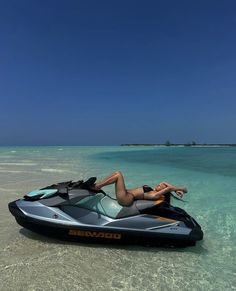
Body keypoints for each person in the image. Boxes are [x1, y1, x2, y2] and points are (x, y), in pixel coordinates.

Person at [92, 171, 187, 207]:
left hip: (126, 199)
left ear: (165, 190)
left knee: (118, 175)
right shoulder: (153, 191)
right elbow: (167, 185)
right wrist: (175, 190)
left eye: (162, 186)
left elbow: (169, 187)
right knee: (117, 173)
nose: (160, 184)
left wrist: (179, 189)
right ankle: (97, 185)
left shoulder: (155, 195)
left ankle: (97, 186)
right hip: (125, 194)